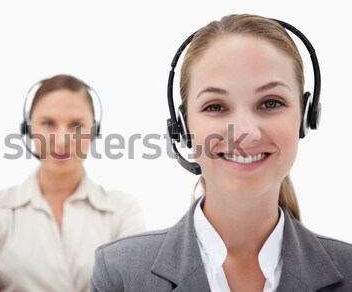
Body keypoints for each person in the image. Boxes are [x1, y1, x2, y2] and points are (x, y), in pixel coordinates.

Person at [90, 14, 352, 292]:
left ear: (305, 116)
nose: (244, 132)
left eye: (271, 102)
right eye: (215, 106)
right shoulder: (120, 273)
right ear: (182, 127)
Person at [0, 74, 146, 292]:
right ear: (28, 128)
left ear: (94, 131)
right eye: (48, 123)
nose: (61, 140)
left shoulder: (122, 211)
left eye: (76, 125)